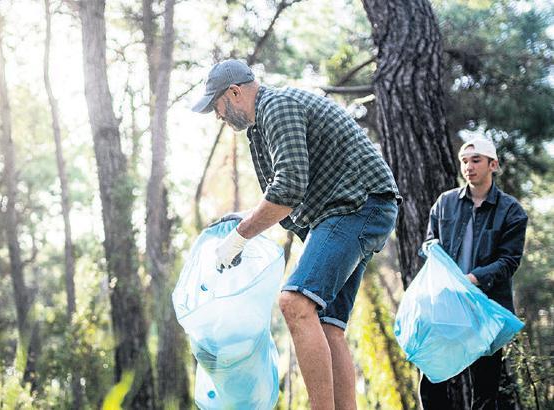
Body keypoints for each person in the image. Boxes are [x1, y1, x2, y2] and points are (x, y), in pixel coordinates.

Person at [192, 59, 401, 410]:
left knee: (295, 303)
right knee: (328, 325)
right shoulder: (261, 127)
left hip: (356, 206)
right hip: (354, 209)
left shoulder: (277, 106)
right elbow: (283, 194)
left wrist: (241, 235)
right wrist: (242, 220)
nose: (217, 115)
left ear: (235, 92)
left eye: (217, 105)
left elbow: (288, 190)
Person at [420, 138, 528, 409]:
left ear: (493, 165)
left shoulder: (512, 211)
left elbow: (509, 261)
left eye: (476, 160)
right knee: (432, 382)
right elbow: (430, 243)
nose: (468, 166)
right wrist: (436, 257)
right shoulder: (444, 203)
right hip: (447, 305)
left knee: (485, 389)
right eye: (464, 161)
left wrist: (472, 279)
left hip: (486, 309)